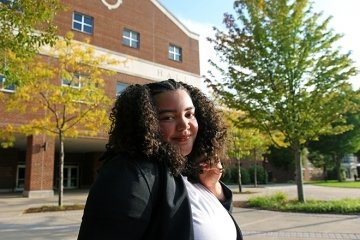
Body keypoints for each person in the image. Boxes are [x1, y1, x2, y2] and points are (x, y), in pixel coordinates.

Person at [77, 79, 243, 240]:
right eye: (168, 117)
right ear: (146, 123)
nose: (184, 124)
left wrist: (213, 187)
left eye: (189, 114)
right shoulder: (131, 172)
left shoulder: (187, 170)